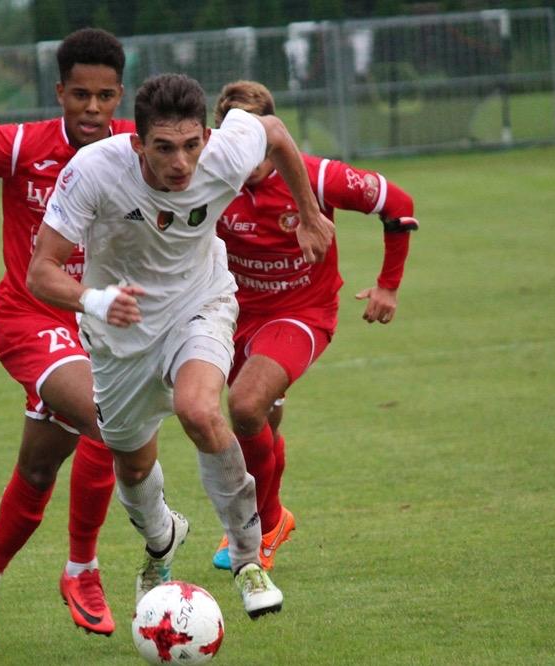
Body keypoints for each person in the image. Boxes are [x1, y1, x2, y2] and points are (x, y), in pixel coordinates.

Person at [25, 73, 335, 618]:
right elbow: (41, 272)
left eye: (192, 145)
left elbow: (276, 132)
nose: (181, 163)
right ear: (138, 143)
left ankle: (248, 560)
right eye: (164, 148)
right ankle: (161, 541)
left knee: (200, 410)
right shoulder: (93, 171)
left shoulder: (226, 151)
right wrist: (95, 300)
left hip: (201, 302)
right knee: (132, 465)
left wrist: (309, 214)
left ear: (207, 138)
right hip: (120, 331)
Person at [0, 28, 132, 646]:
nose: (92, 109)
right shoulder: (19, 145)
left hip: (99, 330)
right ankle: (82, 570)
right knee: (110, 418)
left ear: (120, 96)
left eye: (105, 96)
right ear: (60, 92)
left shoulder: (137, 148)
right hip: (30, 321)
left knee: (37, 472)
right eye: (80, 95)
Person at [207, 80, 419, 571]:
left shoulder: (319, 177)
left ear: (272, 134)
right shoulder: (208, 175)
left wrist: (388, 285)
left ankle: (260, 526)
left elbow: (398, 204)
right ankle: (269, 517)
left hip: (300, 313)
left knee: (245, 404)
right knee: (260, 423)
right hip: (231, 313)